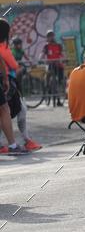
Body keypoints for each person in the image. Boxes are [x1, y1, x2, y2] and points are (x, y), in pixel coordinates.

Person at [0, 18, 42, 152]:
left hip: (6, 81)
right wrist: (15, 72)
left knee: (5, 112)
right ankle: (22, 141)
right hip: (7, 83)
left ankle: (10, 143)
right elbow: (13, 65)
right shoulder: (4, 48)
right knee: (17, 110)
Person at [41, 30, 65, 106]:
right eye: (49, 36)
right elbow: (42, 54)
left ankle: (58, 96)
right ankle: (48, 88)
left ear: (53, 37)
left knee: (59, 81)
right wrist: (41, 59)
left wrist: (64, 59)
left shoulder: (58, 45)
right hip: (50, 66)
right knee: (49, 79)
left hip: (58, 66)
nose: (50, 38)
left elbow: (62, 54)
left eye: (51, 36)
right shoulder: (46, 46)